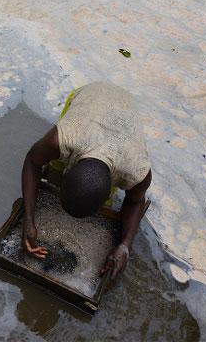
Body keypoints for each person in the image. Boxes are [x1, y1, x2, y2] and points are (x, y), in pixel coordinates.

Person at [20, 82, 152, 279]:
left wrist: (125, 245)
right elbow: (32, 160)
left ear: (111, 189)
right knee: (52, 168)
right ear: (69, 169)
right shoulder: (61, 139)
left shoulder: (136, 171)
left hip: (125, 110)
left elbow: (136, 201)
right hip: (91, 94)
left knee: (92, 196)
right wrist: (28, 219)